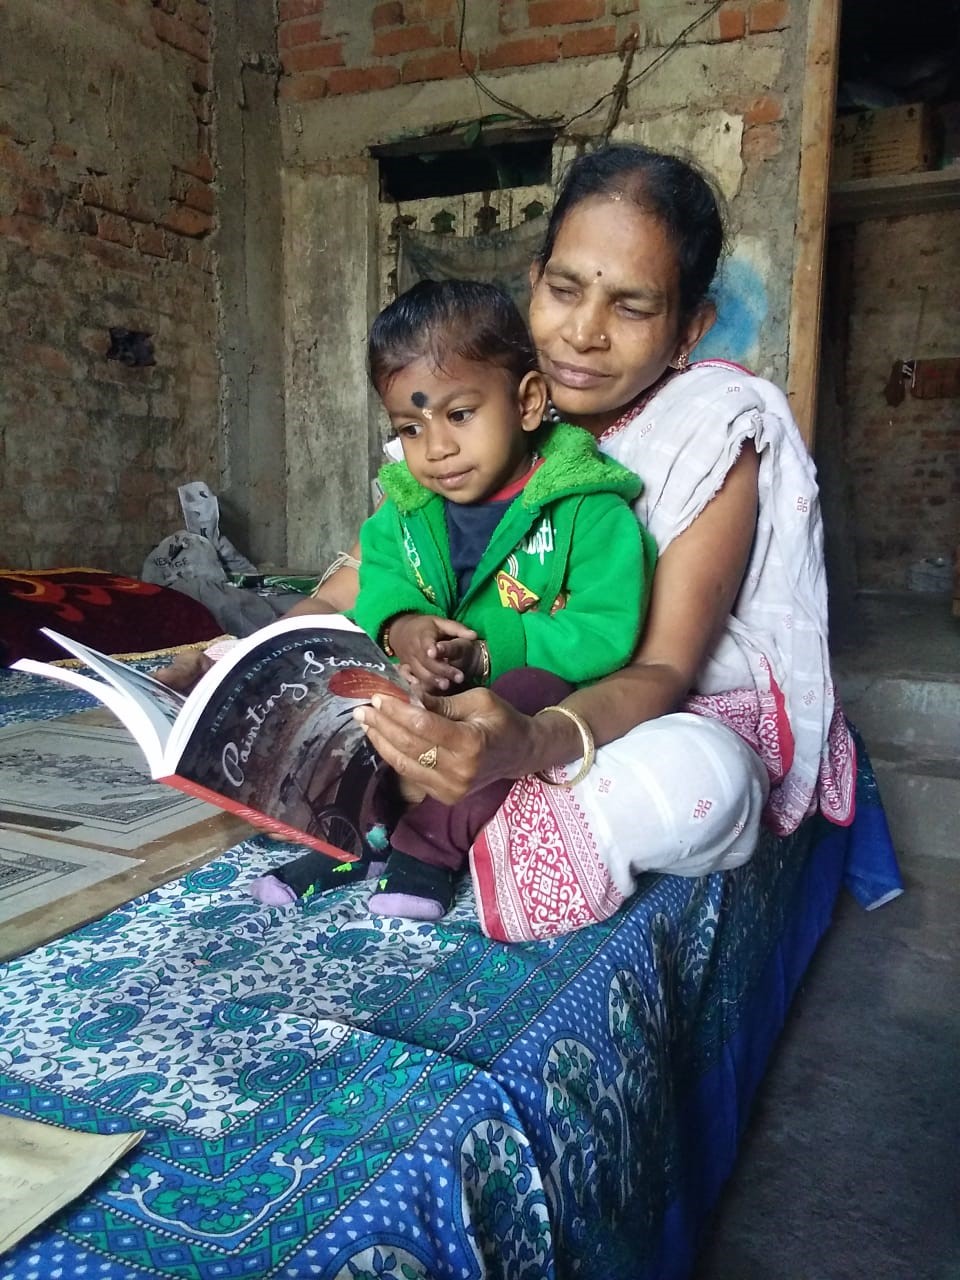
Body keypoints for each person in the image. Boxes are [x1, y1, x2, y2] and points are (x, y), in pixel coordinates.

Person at [166, 143, 856, 944]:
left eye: (631, 307)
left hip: (618, 700)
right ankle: (405, 816)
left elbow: (661, 666)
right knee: (349, 695)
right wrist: (256, 659)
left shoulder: (710, 427)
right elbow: (365, 582)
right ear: (534, 280)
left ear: (688, 328)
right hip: (464, 688)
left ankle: (474, 819)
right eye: (564, 290)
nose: (585, 334)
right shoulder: (479, 398)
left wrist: (526, 739)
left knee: (709, 781)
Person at [249, 277, 656, 921]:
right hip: (422, 684)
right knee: (347, 684)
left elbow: (608, 630)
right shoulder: (406, 508)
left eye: (459, 414)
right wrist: (402, 624)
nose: (436, 449)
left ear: (526, 402)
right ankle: (347, 832)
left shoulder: (590, 509)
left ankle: (428, 844)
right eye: (410, 427)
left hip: (511, 695)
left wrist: (494, 654)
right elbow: (380, 576)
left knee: (523, 693)